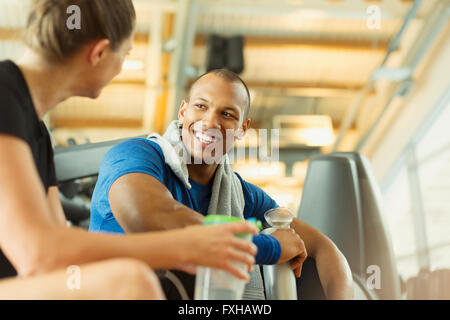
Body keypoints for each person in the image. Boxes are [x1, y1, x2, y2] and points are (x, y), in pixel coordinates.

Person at [0, 0, 258, 299]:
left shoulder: (36, 130)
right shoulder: (4, 96)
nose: (122, 65)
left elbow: (59, 247)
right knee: (129, 281)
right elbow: (38, 254)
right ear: (99, 53)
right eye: (125, 54)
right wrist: (185, 246)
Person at [89, 69, 354, 300]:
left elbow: (325, 248)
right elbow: (146, 220)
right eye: (201, 106)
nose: (211, 122)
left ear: (242, 128)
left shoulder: (241, 194)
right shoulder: (135, 156)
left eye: (227, 114)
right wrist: (270, 248)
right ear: (183, 111)